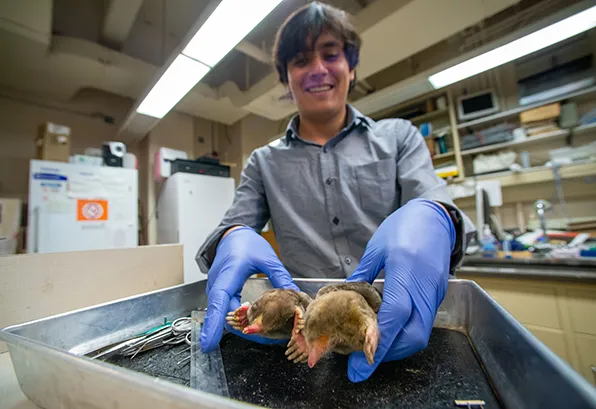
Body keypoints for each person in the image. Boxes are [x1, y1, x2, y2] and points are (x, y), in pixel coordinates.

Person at [196, 2, 475, 383]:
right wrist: (233, 237)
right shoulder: (262, 162)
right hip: (305, 347)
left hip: (391, 326)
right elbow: (234, 227)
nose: (317, 69)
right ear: (286, 77)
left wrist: (436, 218)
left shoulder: (399, 138)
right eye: (300, 60)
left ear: (352, 66)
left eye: (330, 54)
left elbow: (435, 202)